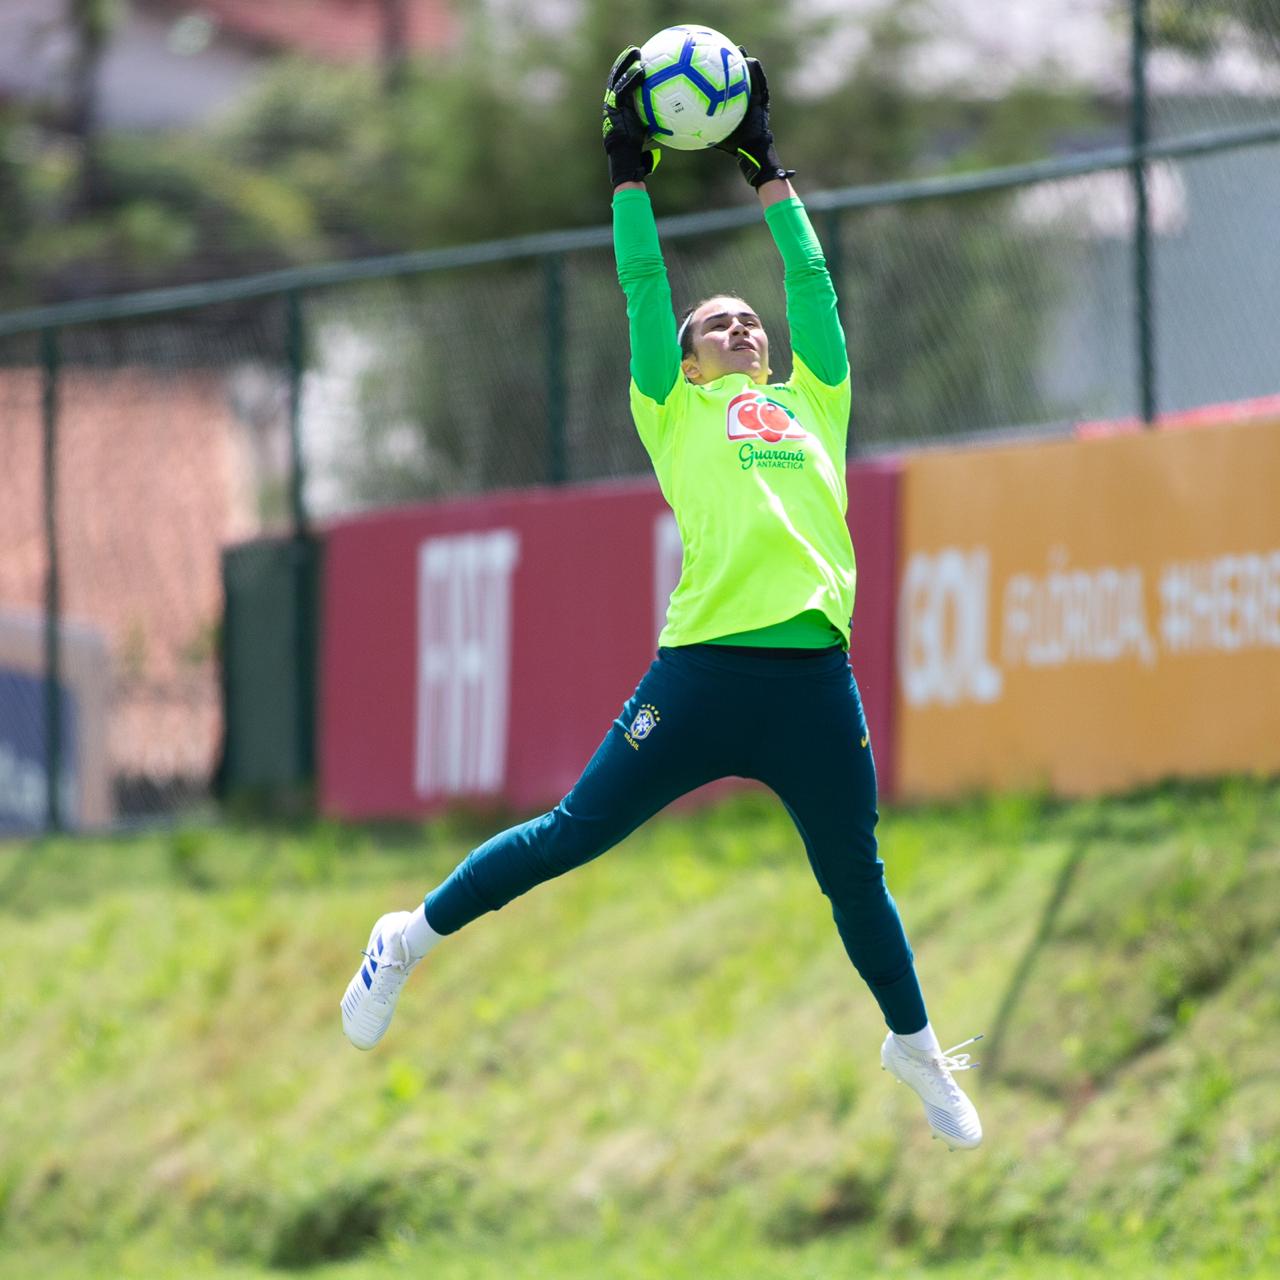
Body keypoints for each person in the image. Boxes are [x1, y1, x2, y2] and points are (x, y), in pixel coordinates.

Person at [341, 46, 983, 1151]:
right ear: (681, 364)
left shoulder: (813, 402)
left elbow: (813, 288)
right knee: (568, 834)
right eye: (713, 325)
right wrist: (625, 174)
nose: (738, 326)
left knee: (856, 883)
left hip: (812, 680)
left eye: (746, 322)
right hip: (701, 674)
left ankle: (912, 1044)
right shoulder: (674, 411)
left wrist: (765, 170)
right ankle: (407, 936)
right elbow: (644, 285)